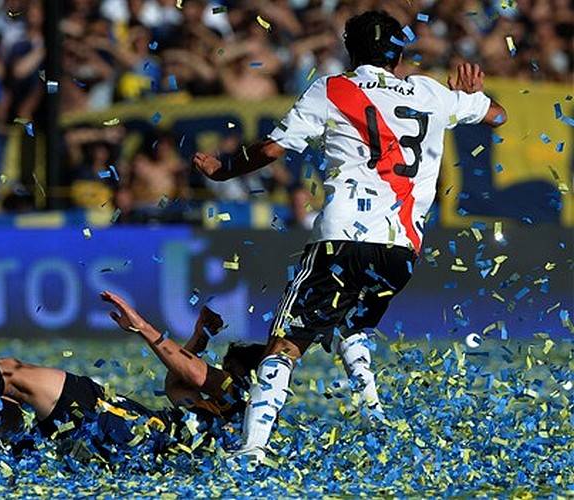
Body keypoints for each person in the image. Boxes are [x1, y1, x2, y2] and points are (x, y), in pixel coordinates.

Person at [192, 10, 508, 461]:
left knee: (284, 345)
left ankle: (253, 448)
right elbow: (498, 116)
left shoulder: (332, 88)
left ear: (350, 51)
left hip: (341, 240)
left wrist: (224, 169)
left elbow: (272, 149)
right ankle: (374, 416)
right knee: (352, 325)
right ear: (399, 54)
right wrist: (472, 98)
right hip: (401, 249)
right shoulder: (432, 93)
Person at [0, 291, 265, 465]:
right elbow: (180, 384)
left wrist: (142, 327)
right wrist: (199, 338)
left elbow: (189, 373)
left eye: (223, 371)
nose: (216, 375)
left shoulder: (245, 393)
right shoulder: (224, 421)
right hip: (121, 446)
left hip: (117, 426)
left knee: (11, 372)